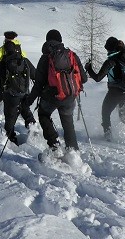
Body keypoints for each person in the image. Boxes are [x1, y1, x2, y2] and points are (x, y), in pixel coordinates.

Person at [25, 29, 87, 159]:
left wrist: (28, 102)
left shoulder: (46, 58)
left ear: (47, 41)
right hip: (70, 96)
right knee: (68, 124)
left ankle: (54, 146)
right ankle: (74, 155)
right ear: (60, 40)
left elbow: (38, 85)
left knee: (43, 114)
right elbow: (84, 78)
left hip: (51, 96)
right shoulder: (72, 55)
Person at [85, 37, 125, 141]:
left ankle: (108, 137)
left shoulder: (111, 61)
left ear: (109, 49)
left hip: (115, 92)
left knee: (105, 113)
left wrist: (89, 68)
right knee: (124, 117)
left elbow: (97, 78)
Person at [0, 40, 36, 145]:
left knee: (10, 119)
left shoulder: (4, 62)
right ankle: (35, 132)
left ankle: (11, 140)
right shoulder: (25, 60)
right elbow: (35, 75)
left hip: (10, 96)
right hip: (25, 94)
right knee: (26, 113)